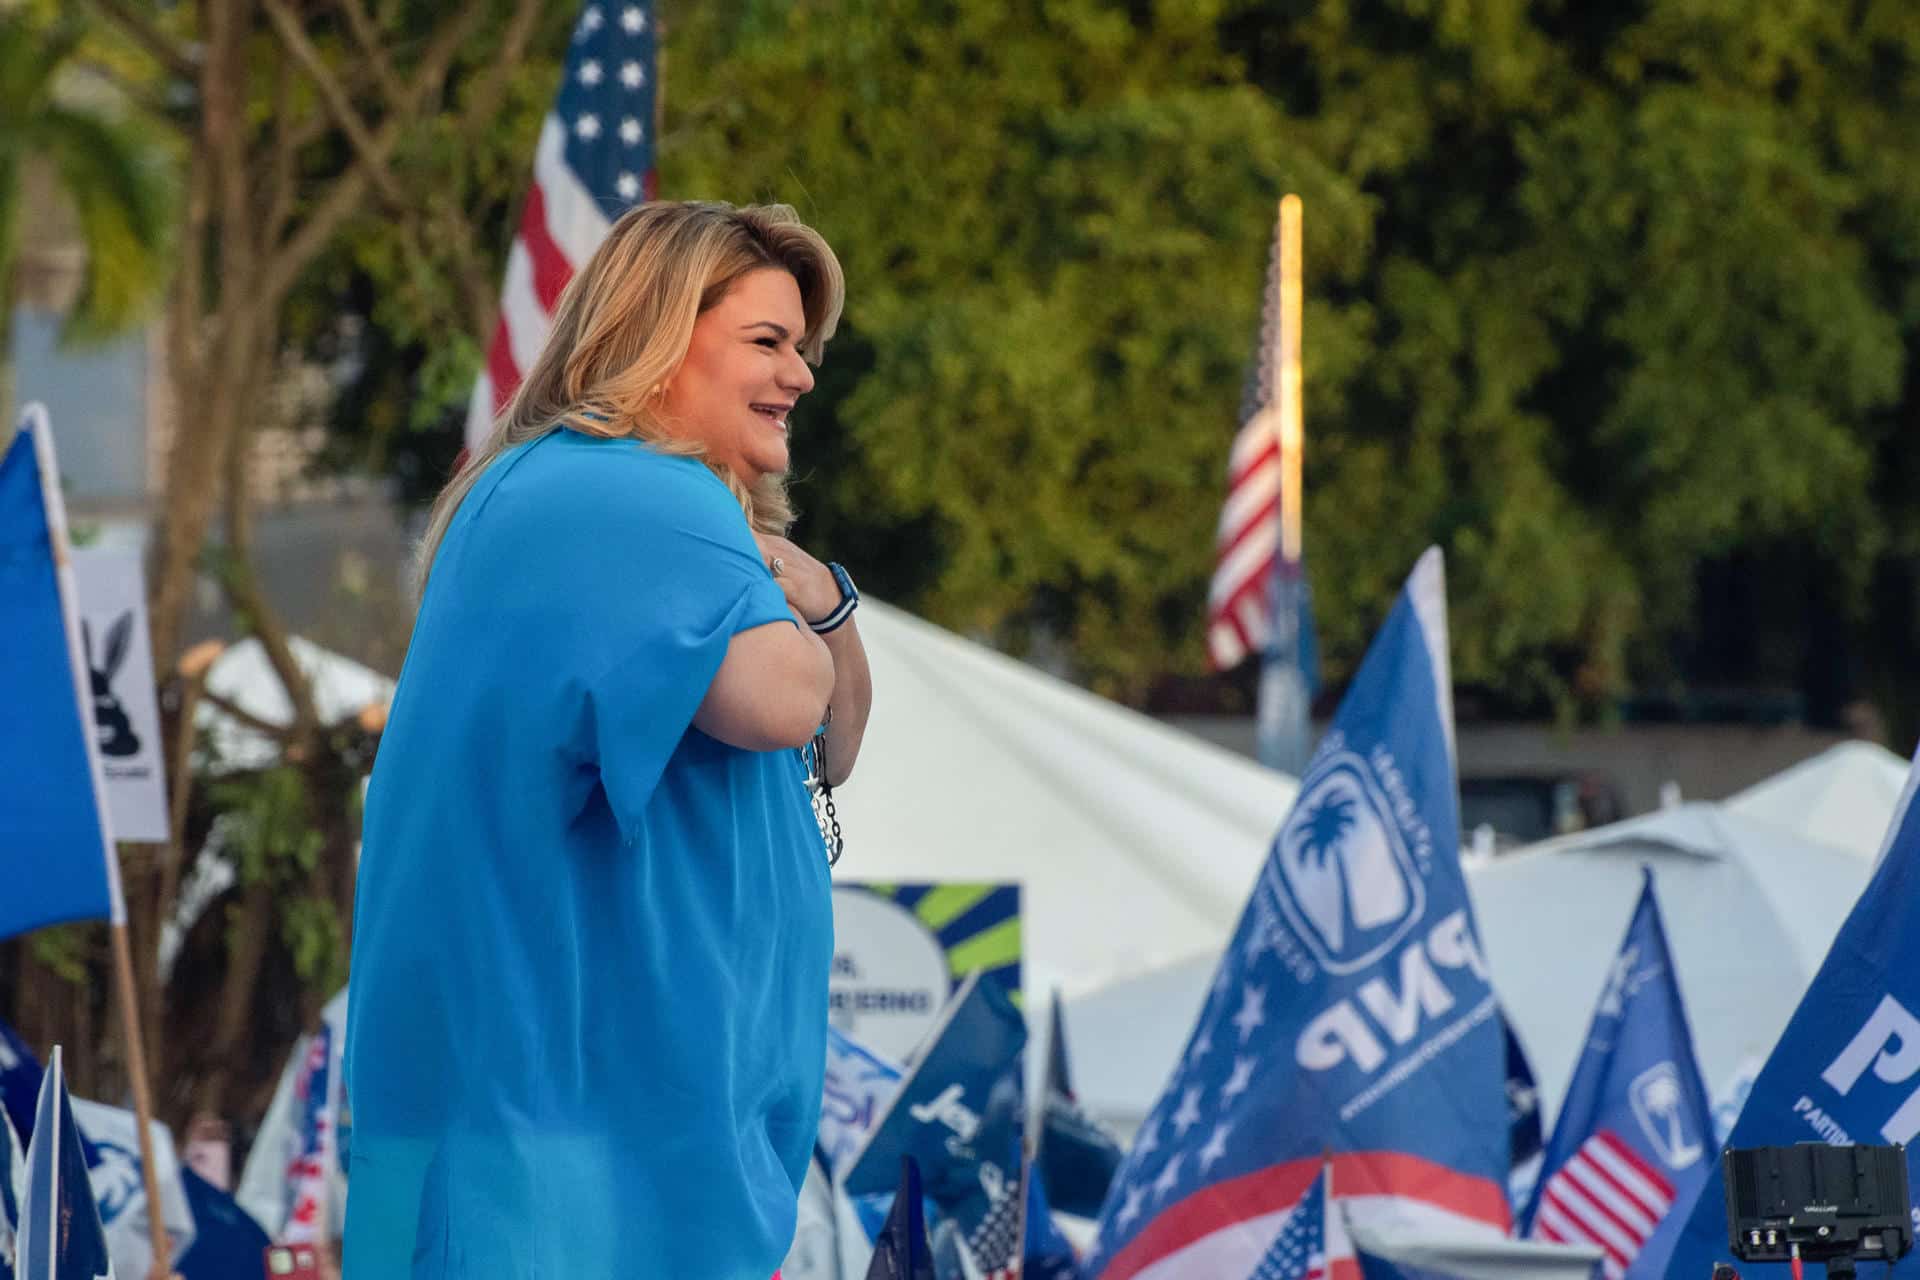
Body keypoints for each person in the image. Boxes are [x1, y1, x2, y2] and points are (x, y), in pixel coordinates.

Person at [342, 201, 872, 1278]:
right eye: (768, 343)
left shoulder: (590, 493)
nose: (802, 376)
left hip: (588, 1154)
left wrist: (819, 597)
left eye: (802, 348)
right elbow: (788, 702)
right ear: (658, 339)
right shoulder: (626, 488)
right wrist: (810, 609)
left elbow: (833, 745)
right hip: (562, 1166)